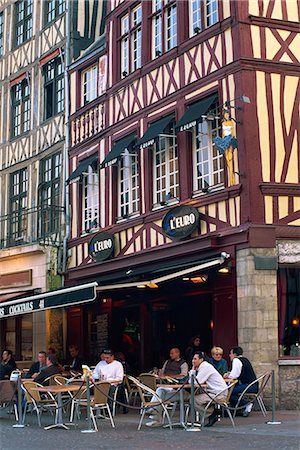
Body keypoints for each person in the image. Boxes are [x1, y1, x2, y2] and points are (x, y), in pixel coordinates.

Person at [146, 352, 227, 428]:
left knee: (193, 400)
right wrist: (193, 370)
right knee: (160, 390)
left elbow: (195, 382)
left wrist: (193, 370)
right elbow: (192, 381)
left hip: (218, 393)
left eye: (195, 359)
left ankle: (212, 413)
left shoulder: (205, 366)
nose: (193, 361)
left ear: (201, 360)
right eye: (193, 359)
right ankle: (154, 413)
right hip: (208, 392)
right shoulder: (201, 367)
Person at [224, 346, 258, 417]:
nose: (230, 355)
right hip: (254, 385)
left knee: (228, 393)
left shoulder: (236, 360)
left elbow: (234, 375)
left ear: (235, 354)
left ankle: (246, 405)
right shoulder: (245, 359)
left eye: (231, 353)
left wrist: (227, 375)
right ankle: (237, 410)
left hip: (249, 386)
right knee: (232, 391)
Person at [213, 109, 238, 186]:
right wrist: (223, 140)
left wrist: (233, 137)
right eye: (226, 114)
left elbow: (233, 131)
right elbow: (223, 133)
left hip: (230, 138)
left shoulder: (231, 122)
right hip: (225, 139)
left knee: (230, 155)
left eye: (228, 114)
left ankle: (232, 177)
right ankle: (231, 176)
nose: (227, 115)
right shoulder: (223, 123)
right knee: (227, 157)